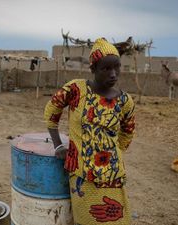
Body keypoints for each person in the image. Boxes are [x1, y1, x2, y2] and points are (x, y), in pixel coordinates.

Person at [44, 38, 135, 225]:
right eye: (106, 69)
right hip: (82, 174)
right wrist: (58, 145)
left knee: (117, 219)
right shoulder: (76, 89)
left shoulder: (125, 101)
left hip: (113, 176)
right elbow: (51, 111)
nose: (113, 74)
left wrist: (115, 154)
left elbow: (127, 131)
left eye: (117, 67)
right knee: (86, 219)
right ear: (93, 69)